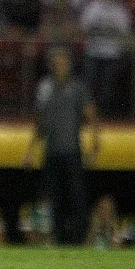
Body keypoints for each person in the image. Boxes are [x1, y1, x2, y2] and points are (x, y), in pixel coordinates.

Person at [24, 47, 100, 245]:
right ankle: (59, 239)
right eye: (56, 63)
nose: (59, 66)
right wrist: (30, 150)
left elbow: (91, 116)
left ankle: (78, 239)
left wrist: (94, 145)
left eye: (62, 62)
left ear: (69, 64)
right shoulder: (45, 87)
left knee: (77, 197)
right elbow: (39, 122)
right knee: (54, 198)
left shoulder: (77, 87)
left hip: (72, 151)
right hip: (51, 151)